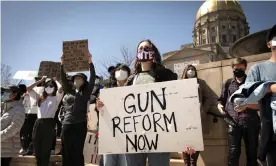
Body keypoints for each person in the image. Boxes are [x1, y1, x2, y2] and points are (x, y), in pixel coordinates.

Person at [124, 39, 195, 166]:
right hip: (135, 135)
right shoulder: (130, 80)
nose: (143, 50)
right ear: (136, 54)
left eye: (147, 48)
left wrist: (187, 138)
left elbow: (180, 105)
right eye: (140, 48)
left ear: (154, 52)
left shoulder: (167, 76)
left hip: (160, 135)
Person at [217, 58, 260, 166]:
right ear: (232, 69)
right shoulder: (227, 83)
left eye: (240, 68)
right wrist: (219, 106)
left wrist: (247, 105)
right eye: (236, 69)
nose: (238, 71)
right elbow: (221, 99)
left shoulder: (253, 83)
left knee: (252, 152)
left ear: (245, 68)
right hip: (233, 122)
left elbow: (260, 104)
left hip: (251, 122)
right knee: (233, 153)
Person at [244, 24, 276, 166]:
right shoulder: (258, 69)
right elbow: (246, 97)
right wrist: (270, 88)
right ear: (269, 44)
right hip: (272, 137)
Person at [60, 52, 96, 166]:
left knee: (77, 151)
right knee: (66, 151)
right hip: (67, 124)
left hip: (79, 125)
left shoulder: (86, 93)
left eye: (80, 78)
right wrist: (62, 64)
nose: (78, 79)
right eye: (76, 78)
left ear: (84, 81)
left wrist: (90, 63)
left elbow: (93, 78)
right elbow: (63, 79)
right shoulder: (69, 91)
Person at [96, 64, 131, 166]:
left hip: (127, 134)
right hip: (110, 133)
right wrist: (99, 106)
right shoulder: (107, 90)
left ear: (128, 74)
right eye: (118, 70)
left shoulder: (133, 89)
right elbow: (99, 110)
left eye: (123, 70)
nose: (121, 72)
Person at [27, 77, 63, 166]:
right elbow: (28, 88)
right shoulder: (40, 97)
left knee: (45, 149)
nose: (49, 88)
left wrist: (55, 80)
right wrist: (40, 81)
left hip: (49, 123)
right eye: (47, 86)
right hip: (38, 123)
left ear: (54, 87)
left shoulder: (56, 98)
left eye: (51, 86)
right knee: (37, 146)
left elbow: (61, 88)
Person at [181, 65, 211, 166]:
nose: (190, 71)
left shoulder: (201, 82)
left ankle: (193, 163)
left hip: (197, 116)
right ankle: (186, 163)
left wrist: (203, 109)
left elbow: (207, 98)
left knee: (196, 141)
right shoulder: (180, 83)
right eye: (188, 69)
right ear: (185, 72)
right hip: (184, 117)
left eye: (192, 69)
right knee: (184, 141)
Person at [1, 85, 25, 166]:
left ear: (15, 95)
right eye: (3, 91)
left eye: (7, 92)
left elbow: (14, 128)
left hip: (8, 150)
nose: (3, 93)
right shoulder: (3, 108)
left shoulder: (19, 109)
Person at [21, 77, 45, 156]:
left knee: (35, 133)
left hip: (41, 115)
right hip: (31, 113)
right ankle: (27, 148)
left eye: (42, 81)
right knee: (27, 132)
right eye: (37, 80)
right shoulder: (34, 90)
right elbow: (28, 88)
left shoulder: (46, 91)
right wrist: (40, 81)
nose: (41, 82)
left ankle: (33, 149)